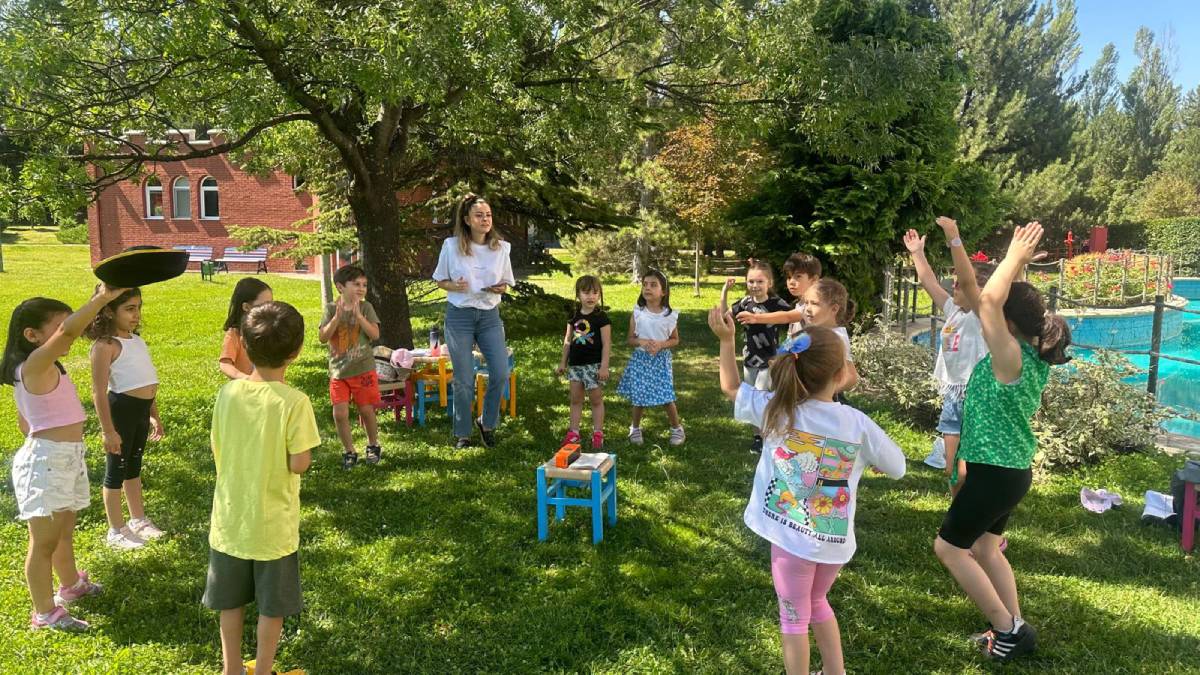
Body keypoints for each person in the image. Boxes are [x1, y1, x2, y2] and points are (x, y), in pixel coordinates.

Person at [708, 310, 906, 675]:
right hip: (833, 543)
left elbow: (732, 387)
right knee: (817, 602)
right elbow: (898, 467)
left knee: (793, 618)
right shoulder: (858, 424)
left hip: (790, 542)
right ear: (840, 375)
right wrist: (869, 458)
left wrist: (726, 341)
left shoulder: (777, 410)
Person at [933, 222, 1072, 662]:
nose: (985, 313)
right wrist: (1012, 265)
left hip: (997, 475)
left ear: (1007, 324)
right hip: (1006, 471)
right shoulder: (1022, 353)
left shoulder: (1010, 358)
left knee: (949, 548)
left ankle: (1007, 628)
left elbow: (991, 300)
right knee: (986, 548)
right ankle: (1014, 626)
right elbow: (987, 298)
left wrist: (1013, 257)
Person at [203, 301, 319, 675]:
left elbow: (218, 446)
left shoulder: (227, 393)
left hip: (230, 520)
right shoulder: (295, 402)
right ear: (296, 351)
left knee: (230, 603)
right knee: (272, 606)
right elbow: (299, 463)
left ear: (245, 346)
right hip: (272, 527)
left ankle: (232, 668)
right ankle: (264, 669)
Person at [3, 286, 126, 631]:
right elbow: (71, 332)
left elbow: (24, 421)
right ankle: (44, 613)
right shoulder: (34, 365)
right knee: (43, 542)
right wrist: (101, 299)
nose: (67, 333)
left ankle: (70, 585)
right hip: (46, 462)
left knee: (64, 532)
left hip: (66, 457)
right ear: (32, 335)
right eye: (58, 327)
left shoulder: (47, 369)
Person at [903, 217, 991, 497]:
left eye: (959, 284)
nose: (954, 287)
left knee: (972, 466)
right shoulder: (953, 309)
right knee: (953, 468)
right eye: (953, 284)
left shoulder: (982, 315)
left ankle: (978, 503)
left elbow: (967, 278)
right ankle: (957, 508)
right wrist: (917, 253)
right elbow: (928, 281)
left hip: (977, 394)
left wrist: (954, 237)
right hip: (953, 394)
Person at [431, 193, 515, 450]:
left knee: (500, 372)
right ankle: (462, 434)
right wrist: (453, 286)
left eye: (488, 215)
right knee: (464, 378)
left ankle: (486, 423)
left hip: (489, 316)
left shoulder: (501, 248)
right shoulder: (451, 246)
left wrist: (500, 288)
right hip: (460, 316)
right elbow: (440, 281)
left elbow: (506, 283)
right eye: (479, 215)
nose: (485, 219)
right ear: (467, 220)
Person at [86, 287, 166, 549]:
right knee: (116, 470)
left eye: (138, 307)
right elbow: (98, 391)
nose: (136, 314)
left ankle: (138, 519)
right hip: (121, 411)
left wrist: (153, 415)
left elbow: (147, 380)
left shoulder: (136, 340)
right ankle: (116, 529)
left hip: (140, 412)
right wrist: (108, 431)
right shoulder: (105, 346)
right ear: (109, 311)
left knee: (133, 466)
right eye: (129, 309)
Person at [721, 259, 793, 452]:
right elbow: (725, 316)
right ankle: (758, 437)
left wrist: (787, 348)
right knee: (751, 399)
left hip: (769, 361)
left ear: (769, 283)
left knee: (761, 396)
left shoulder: (776, 303)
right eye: (751, 281)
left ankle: (767, 434)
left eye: (760, 281)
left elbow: (794, 317)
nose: (755, 285)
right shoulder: (745, 303)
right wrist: (724, 291)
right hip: (749, 359)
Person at [318, 264, 382, 469]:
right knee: (339, 413)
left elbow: (375, 335)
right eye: (356, 284)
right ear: (340, 287)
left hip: (363, 369)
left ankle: (373, 445)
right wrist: (336, 318)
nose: (361, 288)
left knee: (366, 410)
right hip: (339, 372)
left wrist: (360, 317)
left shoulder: (366, 307)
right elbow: (323, 337)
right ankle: (349, 450)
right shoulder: (331, 309)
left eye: (364, 285)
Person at [616, 269, 685, 446]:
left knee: (666, 396)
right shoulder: (638, 313)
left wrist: (661, 344)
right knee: (639, 397)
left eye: (653, 285)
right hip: (641, 360)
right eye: (645, 284)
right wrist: (642, 341)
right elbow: (630, 339)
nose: (647, 288)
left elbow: (675, 339)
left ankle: (677, 429)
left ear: (663, 292)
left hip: (661, 361)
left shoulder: (669, 316)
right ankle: (635, 428)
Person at [556, 275, 612, 449]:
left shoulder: (601, 318)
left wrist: (604, 366)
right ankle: (574, 433)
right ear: (578, 294)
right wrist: (563, 363)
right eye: (586, 292)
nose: (591, 296)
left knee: (596, 400)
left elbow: (607, 344)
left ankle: (598, 433)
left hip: (594, 366)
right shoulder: (573, 316)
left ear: (599, 294)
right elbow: (567, 341)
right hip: (575, 366)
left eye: (595, 293)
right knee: (575, 399)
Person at [735, 252, 822, 339]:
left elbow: (788, 317)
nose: (791, 282)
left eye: (798, 276)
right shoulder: (799, 304)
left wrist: (755, 317)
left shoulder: (815, 304)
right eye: (789, 277)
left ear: (814, 279)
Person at [800, 279, 859, 395]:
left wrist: (823, 393)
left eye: (814, 303)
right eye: (806, 303)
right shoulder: (810, 331)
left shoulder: (837, 337)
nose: (807, 308)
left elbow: (851, 377)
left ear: (834, 309)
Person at [219, 278, 273, 379]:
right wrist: (244, 378)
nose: (269, 309)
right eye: (263, 305)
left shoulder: (267, 330)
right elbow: (225, 364)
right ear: (246, 307)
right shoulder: (234, 334)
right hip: (244, 387)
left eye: (271, 304)